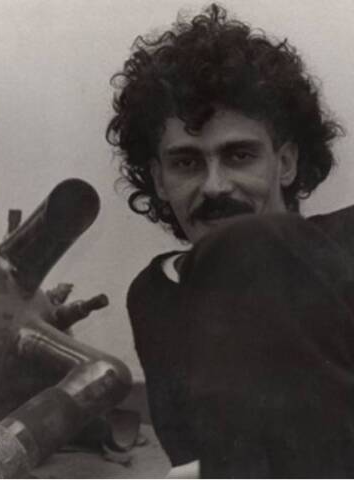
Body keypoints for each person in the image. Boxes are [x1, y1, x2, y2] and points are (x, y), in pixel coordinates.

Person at [106, 4, 354, 478]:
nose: (215, 186)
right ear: (158, 180)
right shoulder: (155, 294)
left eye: (239, 156)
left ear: (286, 163)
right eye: (186, 163)